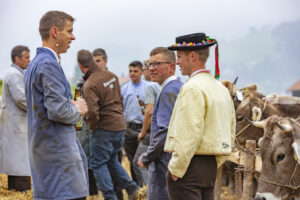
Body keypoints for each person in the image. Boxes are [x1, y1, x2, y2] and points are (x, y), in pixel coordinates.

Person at [24, 11, 89, 200]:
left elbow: (47, 105)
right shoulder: (49, 65)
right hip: (58, 157)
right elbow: (58, 111)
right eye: (69, 31)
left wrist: (67, 102)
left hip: (44, 152)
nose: (73, 37)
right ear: (54, 32)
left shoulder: (35, 64)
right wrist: (78, 108)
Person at [164, 33, 236, 200]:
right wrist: (217, 160)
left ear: (193, 56)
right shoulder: (221, 89)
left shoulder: (192, 88)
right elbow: (230, 129)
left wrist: (176, 168)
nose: (177, 62)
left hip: (189, 166)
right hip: (210, 165)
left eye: (179, 56)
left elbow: (189, 133)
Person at [77, 49, 140, 200]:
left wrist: (92, 127)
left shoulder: (89, 84)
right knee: (111, 160)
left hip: (103, 128)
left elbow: (92, 112)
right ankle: (131, 188)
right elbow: (119, 99)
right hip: (119, 125)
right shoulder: (111, 77)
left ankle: (109, 197)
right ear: (92, 62)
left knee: (97, 164)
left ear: (81, 66)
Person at [137, 47, 183, 200]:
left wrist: (147, 157)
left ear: (171, 66)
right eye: (149, 65)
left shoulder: (169, 91)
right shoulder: (177, 87)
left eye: (157, 64)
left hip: (164, 163)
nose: (151, 69)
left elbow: (165, 133)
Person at [0, 45, 31, 192]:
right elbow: (22, 98)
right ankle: (21, 190)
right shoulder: (14, 74)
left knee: (15, 158)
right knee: (21, 159)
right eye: (26, 57)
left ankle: (14, 189)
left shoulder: (15, 73)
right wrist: (38, 109)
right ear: (16, 58)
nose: (28, 60)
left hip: (14, 122)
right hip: (17, 123)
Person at [132, 59, 160, 186]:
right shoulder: (163, 85)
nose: (143, 73)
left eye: (144, 69)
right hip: (163, 133)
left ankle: (147, 190)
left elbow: (149, 112)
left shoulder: (150, 86)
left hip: (151, 132)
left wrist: (142, 132)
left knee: (138, 162)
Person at [121, 61, 149, 187]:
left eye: (135, 71)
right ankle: (137, 188)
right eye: (130, 71)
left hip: (144, 129)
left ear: (141, 72)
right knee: (132, 160)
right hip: (129, 129)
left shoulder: (148, 88)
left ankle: (146, 186)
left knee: (141, 161)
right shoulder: (125, 89)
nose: (132, 74)